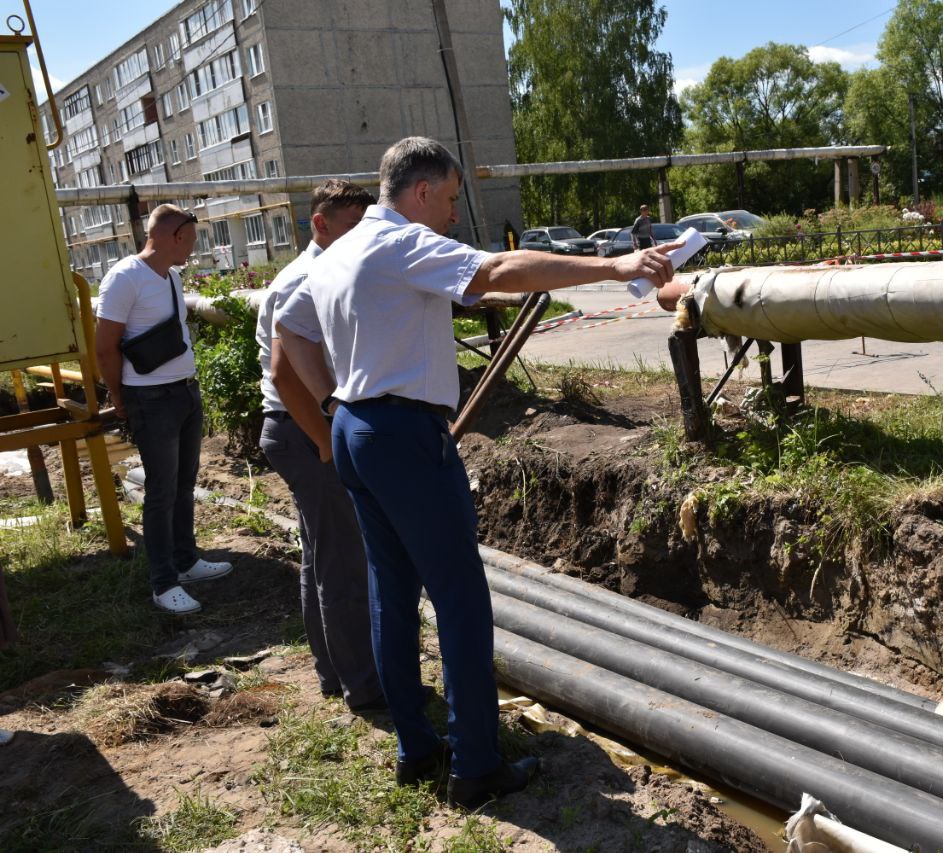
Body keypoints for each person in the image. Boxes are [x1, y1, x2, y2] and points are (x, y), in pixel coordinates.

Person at [275, 136, 679, 808]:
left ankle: (415, 746)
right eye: (453, 200)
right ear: (423, 189)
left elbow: (290, 332)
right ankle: (476, 765)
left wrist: (327, 401)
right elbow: (494, 271)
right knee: (461, 600)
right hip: (403, 433)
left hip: (354, 428)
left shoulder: (337, 252)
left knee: (391, 591)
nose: (454, 217)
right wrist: (615, 267)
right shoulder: (400, 243)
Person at [255, 180, 384, 712]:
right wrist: (327, 442)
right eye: (348, 227)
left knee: (321, 557)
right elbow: (287, 375)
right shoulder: (307, 278)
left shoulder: (332, 269)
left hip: (303, 428)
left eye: (364, 226)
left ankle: (335, 671)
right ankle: (365, 687)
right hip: (303, 429)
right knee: (344, 563)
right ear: (320, 224)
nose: (359, 238)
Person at [96, 204, 233, 615]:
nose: (194, 247)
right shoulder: (124, 277)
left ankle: (186, 560)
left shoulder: (171, 276)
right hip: (150, 399)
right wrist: (119, 398)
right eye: (191, 239)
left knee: (184, 482)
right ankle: (163, 582)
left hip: (184, 393)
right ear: (175, 236)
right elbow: (104, 346)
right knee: (160, 490)